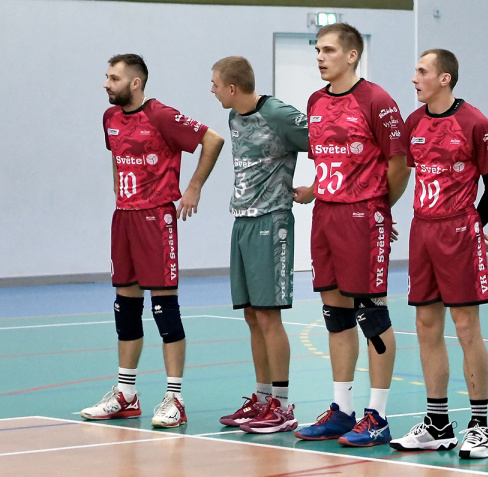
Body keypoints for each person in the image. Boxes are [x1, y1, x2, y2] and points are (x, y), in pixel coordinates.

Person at [81, 53, 224, 428]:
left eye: (113, 78)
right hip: (124, 219)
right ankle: (126, 394)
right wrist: (119, 189)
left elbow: (213, 139)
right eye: (106, 76)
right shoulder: (110, 118)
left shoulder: (161, 115)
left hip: (155, 219)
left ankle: (175, 398)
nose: (106, 84)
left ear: (135, 83)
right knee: (125, 307)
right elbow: (116, 156)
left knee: (164, 308)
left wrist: (194, 187)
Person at [292, 23, 409, 447]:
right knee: (335, 313)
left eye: (328, 50)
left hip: (363, 216)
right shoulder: (316, 101)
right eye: (318, 50)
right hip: (325, 215)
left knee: (372, 313)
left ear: (352, 55)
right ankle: (342, 410)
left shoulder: (377, 100)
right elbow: (332, 160)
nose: (320, 57)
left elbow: (399, 166)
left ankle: (378, 415)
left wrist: (378, 208)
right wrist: (315, 190)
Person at [388, 49, 488, 459]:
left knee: (466, 326)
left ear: (445, 78)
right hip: (422, 231)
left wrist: (474, 225)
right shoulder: (414, 122)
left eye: (422, 71)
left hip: (458, 231)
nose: (414, 78)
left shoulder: (475, 123)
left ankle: (479, 426)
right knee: (425, 324)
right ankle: (438, 424)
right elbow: (403, 173)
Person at [210, 56, 308, 434]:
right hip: (242, 222)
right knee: (252, 314)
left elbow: (331, 146)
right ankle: (263, 398)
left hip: (272, 222)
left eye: (215, 84)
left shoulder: (278, 114)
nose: (212, 90)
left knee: (269, 315)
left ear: (232, 87)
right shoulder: (234, 117)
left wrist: (317, 189)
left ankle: (282, 406)